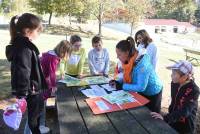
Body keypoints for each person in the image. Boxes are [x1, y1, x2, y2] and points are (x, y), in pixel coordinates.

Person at [5, 13, 48, 134]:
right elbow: (22, 71)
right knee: (33, 117)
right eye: (37, 31)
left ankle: (36, 129)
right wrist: (22, 93)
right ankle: (34, 131)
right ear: (28, 31)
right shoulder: (23, 47)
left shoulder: (24, 44)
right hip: (30, 89)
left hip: (33, 88)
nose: (38, 34)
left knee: (37, 112)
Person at [24, 40, 72, 134]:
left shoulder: (51, 54)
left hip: (38, 83)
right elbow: (52, 74)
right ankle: (27, 132)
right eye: (68, 53)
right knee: (34, 112)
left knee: (41, 107)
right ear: (64, 51)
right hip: (37, 86)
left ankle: (41, 125)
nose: (68, 56)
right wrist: (54, 86)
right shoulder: (53, 58)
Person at [109, 36, 163, 113]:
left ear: (127, 53)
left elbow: (141, 87)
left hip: (153, 92)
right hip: (143, 92)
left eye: (119, 54)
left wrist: (122, 86)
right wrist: (118, 82)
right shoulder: (128, 60)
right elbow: (125, 74)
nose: (117, 57)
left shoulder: (142, 64)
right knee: (142, 113)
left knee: (152, 116)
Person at [151, 60, 199, 134]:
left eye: (174, 73)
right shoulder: (174, 83)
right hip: (173, 120)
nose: (171, 75)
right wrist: (169, 116)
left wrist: (166, 118)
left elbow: (185, 111)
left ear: (185, 76)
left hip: (185, 126)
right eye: (172, 73)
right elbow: (174, 101)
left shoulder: (194, 90)